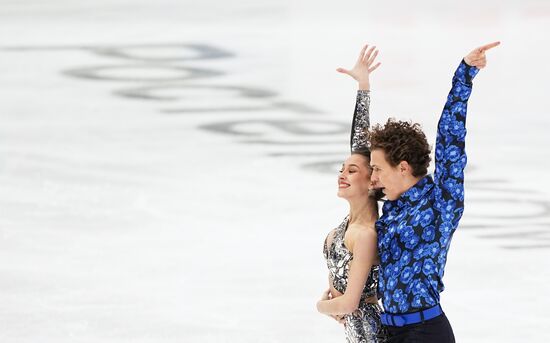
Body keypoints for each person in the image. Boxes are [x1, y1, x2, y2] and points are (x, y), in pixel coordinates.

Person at [367, 41, 500, 342]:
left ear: (402, 167)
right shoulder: (391, 206)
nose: (372, 177)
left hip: (426, 332)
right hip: (388, 331)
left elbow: (450, 138)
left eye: (378, 169)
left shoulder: (441, 203)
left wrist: (464, 75)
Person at [316, 44, 387, 343]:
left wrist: (321, 306)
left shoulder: (367, 232)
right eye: (342, 168)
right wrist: (363, 86)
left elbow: (350, 303)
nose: (342, 174)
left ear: (372, 181)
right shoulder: (349, 226)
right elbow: (359, 143)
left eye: (352, 171)